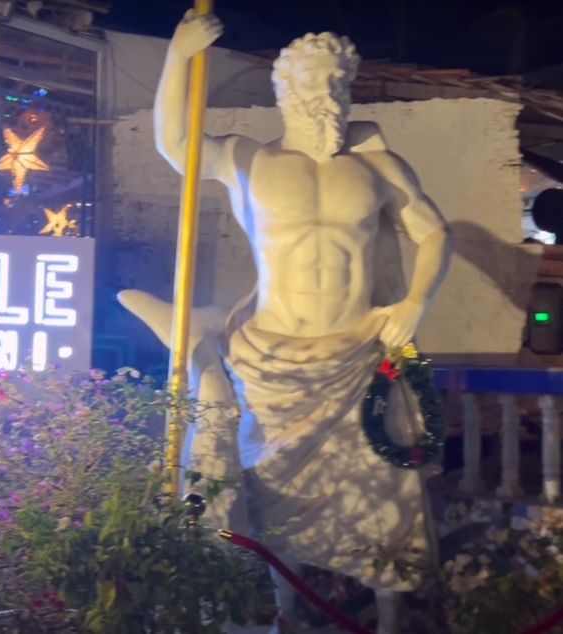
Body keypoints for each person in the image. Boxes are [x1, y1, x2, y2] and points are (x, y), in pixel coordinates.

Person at [124, 10, 454, 634]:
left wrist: (415, 303)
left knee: (383, 486)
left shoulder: (380, 168)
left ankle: (388, 619)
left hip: (358, 353)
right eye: (312, 81)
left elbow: (435, 233)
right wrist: (179, 55)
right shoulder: (248, 161)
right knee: (272, 495)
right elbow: (175, 145)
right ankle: (288, 612)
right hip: (273, 361)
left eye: (337, 81)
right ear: (285, 90)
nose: (326, 93)